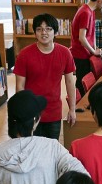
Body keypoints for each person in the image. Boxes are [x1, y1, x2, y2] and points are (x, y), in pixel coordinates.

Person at [14, 13, 76, 141]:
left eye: (48, 29)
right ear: (35, 33)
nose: (44, 33)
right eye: (39, 29)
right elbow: (19, 86)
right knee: (32, 152)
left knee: (51, 151)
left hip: (54, 112)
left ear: (55, 32)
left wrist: (72, 109)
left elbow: (70, 82)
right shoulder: (24, 55)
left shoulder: (65, 53)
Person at [70, 0, 102, 97]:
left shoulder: (89, 10)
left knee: (87, 80)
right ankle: (78, 107)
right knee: (82, 82)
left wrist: (95, 48)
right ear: (99, 0)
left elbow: (91, 34)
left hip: (86, 52)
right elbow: (82, 38)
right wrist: (94, 51)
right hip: (81, 54)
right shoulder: (85, 12)